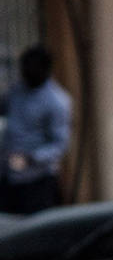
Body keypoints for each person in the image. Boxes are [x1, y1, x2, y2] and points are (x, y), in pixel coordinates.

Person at [1, 45, 71, 216]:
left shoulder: (56, 101)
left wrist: (33, 158)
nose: (25, 73)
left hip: (38, 180)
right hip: (9, 175)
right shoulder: (18, 91)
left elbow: (59, 145)